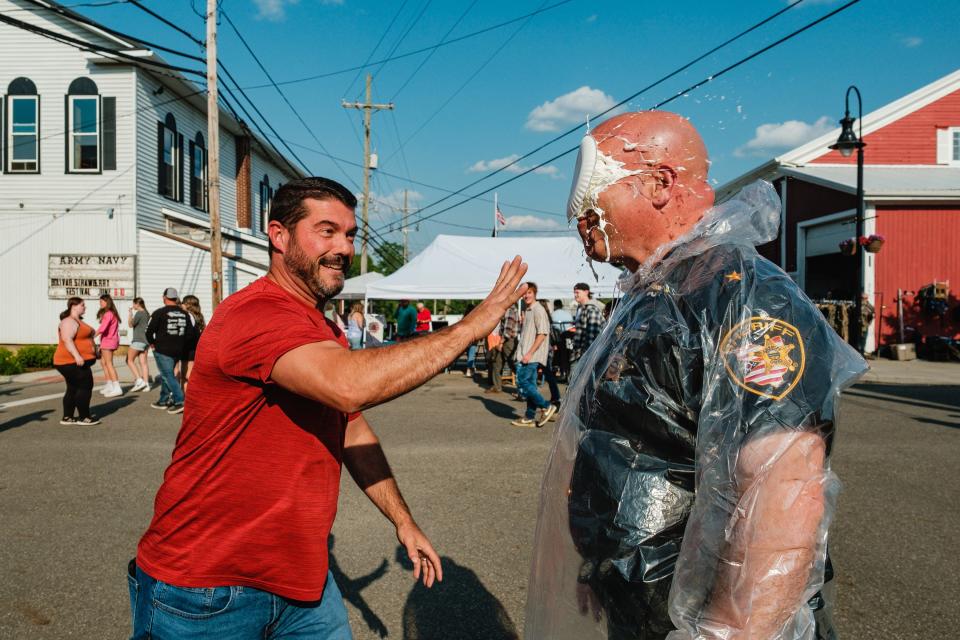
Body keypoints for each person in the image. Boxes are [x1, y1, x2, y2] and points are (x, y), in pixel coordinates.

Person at [129, 177, 527, 639]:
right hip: (207, 588)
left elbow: (353, 432)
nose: (344, 247)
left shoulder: (321, 329)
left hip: (303, 584)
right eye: (326, 231)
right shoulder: (255, 315)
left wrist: (403, 522)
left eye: (350, 233)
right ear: (278, 236)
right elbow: (347, 387)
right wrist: (470, 327)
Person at [524, 112, 867, 640]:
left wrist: (730, 631)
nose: (579, 212)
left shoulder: (740, 293)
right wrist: (602, 565)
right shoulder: (654, 294)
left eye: (592, 190)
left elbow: (781, 482)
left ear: (659, 183)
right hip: (644, 606)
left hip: (704, 619)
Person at [511, 284, 557, 428]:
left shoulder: (538, 310)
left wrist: (529, 353)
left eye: (529, 292)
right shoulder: (529, 310)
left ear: (535, 293)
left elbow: (542, 334)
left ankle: (546, 406)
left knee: (522, 383)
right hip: (526, 354)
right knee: (530, 385)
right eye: (524, 293)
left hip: (532, 356)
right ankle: (529, 417)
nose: (526, 296)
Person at [145, 287, 194, 415]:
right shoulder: (185, 314)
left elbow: (149, 331)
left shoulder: (159, 313)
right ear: (176, 298)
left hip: (163, 350)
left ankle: (179, 400)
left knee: (167, 375)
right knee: (167, 375)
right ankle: (163, 400)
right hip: (178, 350)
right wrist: (182, 345)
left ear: (164, 298)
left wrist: (152, 344)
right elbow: (190, 334)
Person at [53, 297, 101, 425]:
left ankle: (68, 417)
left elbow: (84, 339)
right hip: (69, 361)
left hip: (75, 361)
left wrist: (94, 351)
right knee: (85, 385)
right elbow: (67, 339)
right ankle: (84, 417)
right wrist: (77, 356)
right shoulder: (68, 321)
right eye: (82, 305)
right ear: (73, 306)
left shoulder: (77, 321)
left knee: (73, 387)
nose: (85, 307)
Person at [570, 283, 605, 372]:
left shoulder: (592, 309)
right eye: (574, 293)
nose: (575, 295)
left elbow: (592, 336)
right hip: (579, 354)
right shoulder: (581, 308)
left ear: (586, 292)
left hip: (586, 356)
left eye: (577, 292)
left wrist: (586, 357)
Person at [485, 306, 519, 395]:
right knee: (497, 362)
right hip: (504, 339)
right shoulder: (507, 308)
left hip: (508, 340)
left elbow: (507, 329)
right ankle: (497, 387)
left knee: (513, 364)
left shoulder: (510, 309)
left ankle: (523, 389)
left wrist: (501, 343)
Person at [95, 294, 122, 398]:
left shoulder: (108, 314)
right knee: (104, 363)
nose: (100, 303)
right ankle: (109, 384)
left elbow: (102, 328)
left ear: (107, 302)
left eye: (101, 301)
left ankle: (117, 387)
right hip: (108, 340)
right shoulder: (110, 313)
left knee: (109, 363)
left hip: (108, 341)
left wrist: (92, 336)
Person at [179, 294, 206, 391]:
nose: (181, 304)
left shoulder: (188, 316)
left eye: (183, 302)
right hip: (197, 348)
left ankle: (186, 399)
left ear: (188, 304)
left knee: (185, 376)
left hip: (189, 349)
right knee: (189, 375)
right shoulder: (199, 316)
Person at [127, 297, 151, 392]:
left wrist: (130, 314)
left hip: (138, 340)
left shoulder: (139, 313)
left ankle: (139, 380)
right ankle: (146, 384)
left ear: (137, 304)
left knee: (129, 360)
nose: (133, 306)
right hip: (146, 341)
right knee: (143, 363)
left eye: (134, 304)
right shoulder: (147, 313)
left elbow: (130, 324)